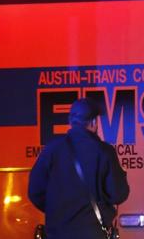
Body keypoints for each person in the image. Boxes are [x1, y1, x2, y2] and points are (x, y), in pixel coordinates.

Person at [28, 98, 130, 239]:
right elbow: (118, 194)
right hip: (93, 233)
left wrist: (57, 212)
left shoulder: (51, 150)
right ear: (94, 122)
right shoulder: (105, 152)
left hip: (58, 233)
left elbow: (34, 192)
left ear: (71, 122)